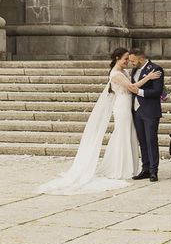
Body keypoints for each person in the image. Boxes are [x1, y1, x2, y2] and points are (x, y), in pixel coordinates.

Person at [38, 48, 162, 195]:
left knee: (130, 136)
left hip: (132, 107)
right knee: (122, 134)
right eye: (125, 59)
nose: (128, 61)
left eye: (129, 59)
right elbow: (132, 87)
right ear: (117, 58)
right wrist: (148, 77)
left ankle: (137, 167)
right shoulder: (115, 74)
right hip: (122, 106)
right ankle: (120, 167)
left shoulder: (127, 71)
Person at [128, 48, 164, 182]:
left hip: (150, 111)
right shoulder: (134, 70)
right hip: (137, 111)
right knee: (142, 141)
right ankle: (145, 169)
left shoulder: (156, 69)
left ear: (140, 58)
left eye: (132, 60)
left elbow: (157, 92)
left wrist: (139, 92)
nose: (131, 63)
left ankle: (154, 171)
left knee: (151, 141)